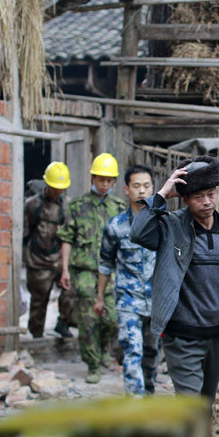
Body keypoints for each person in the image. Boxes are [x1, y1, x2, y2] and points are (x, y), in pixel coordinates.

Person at [130, 156, 219, 402]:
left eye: (211, 194)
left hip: (218, 336)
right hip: (182, 337)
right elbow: (138, 233)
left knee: (205, 403)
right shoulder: (170, 226)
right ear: (184, 199)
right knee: (190, 405)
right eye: (198, 197)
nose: (207, 202)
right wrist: (162, 194)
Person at [57, 153, 126, 384]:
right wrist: (65, 270)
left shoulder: (118, 207)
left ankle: (105, 347)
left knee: (112, 319)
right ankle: (93, 365)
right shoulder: (77, 206)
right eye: (101, 179)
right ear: (93, 178)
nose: (105, 184)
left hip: (111, 273)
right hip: (85, 272)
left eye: (109, 180)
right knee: (88, 321)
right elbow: (67, 239)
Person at [96, 164, 160, 396]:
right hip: (128, 300)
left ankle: (148, 397)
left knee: (152, 353)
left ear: (153, 188)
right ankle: (135, 402)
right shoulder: (115, 226)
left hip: (156, 300)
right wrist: (100, 297)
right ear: (126, 189)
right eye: (136, 186)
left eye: (146, 186)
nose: (142, 191)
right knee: (132, 350)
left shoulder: (163, 224)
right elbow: (106, 263)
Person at [23, 162, 73, 338]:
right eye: (55, 188)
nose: (58, 191)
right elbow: (25, 233)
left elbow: (71, 235)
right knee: (39, 301)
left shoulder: (67, 206)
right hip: (38, 261)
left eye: (61, 188)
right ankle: (36, 336)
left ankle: (63, 323)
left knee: (71, 291)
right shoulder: (32, 205)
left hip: (59, 260)